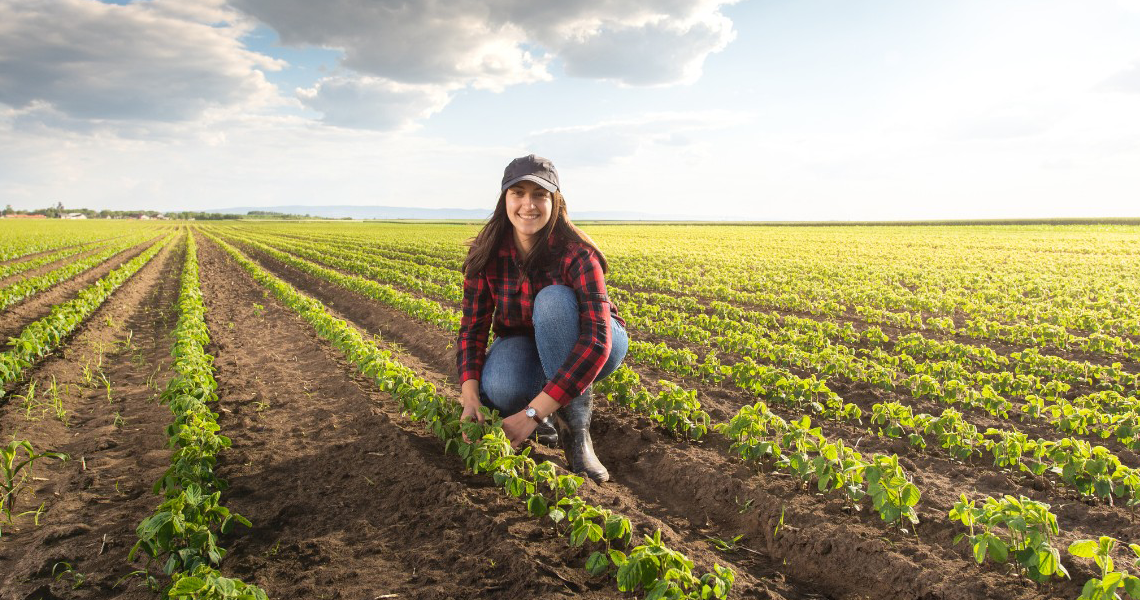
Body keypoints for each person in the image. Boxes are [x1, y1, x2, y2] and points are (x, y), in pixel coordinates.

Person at [456, 154, 629, 483]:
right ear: (504, 199)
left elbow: (596, 341)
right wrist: (470, 400)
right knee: (502, 387)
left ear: (555, 201)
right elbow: (471, 332)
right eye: (518, 193)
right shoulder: (487, 253)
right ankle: (548, 406)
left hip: (595, 341)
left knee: (552, 299)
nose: (528, 204)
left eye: (539, 195)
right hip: (528, 342)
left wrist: (531, 416)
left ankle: (576, 434)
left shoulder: (577, 253)